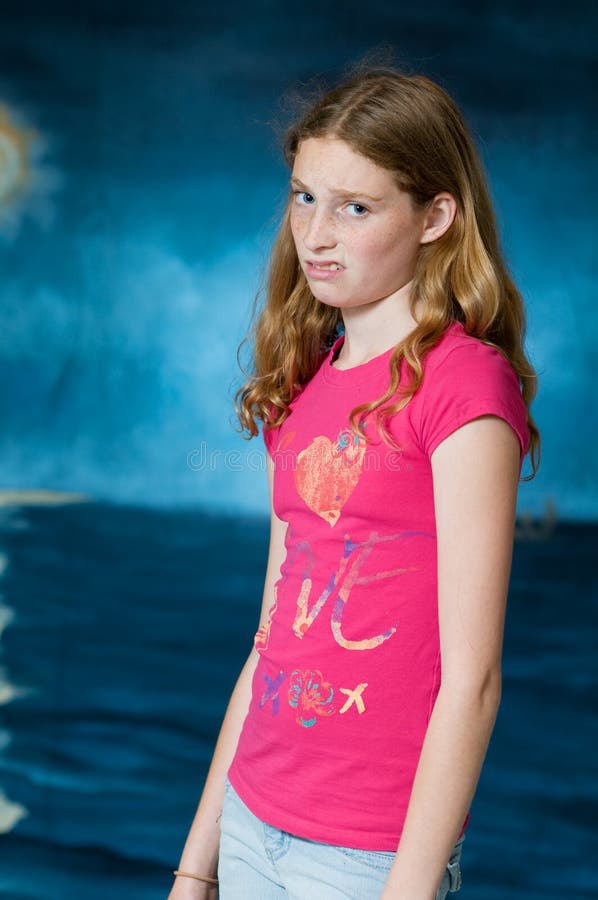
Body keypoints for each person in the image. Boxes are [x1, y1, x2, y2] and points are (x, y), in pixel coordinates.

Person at [169, 63, 540, 900]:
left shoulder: (462, 387)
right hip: (250, 821)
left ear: (435, 216)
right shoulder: (304, 382)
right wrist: (198, 863)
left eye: (356, 208)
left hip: (364, 858)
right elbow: (270, 639)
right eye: (305, 197)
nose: (316, 234)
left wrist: (406, 887)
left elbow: (473, 682)